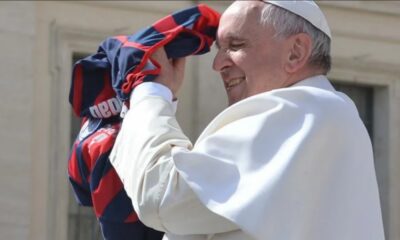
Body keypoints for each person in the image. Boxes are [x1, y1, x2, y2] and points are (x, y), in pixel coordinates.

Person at [110, 1, 385, 239]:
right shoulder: (323, 114)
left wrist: (149, 92)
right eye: (219, 48)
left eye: (236, 45)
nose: (218, 64)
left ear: (296, 52)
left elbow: (161, 197)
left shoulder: (308, 110)